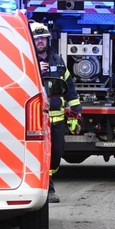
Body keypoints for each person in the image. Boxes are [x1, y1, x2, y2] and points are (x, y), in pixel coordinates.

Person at [31, 22, 82, 203]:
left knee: (56, 154)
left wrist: (76, 112)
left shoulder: (58, 61)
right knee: (39, 155)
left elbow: (70, 88)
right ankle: (48, 188)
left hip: (58, 120)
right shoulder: (27, 60)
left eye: (42, 38)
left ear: (47, 39)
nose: (39, 42)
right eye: (36, 39)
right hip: (36, 120)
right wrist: (36, 70)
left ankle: (49, 182)